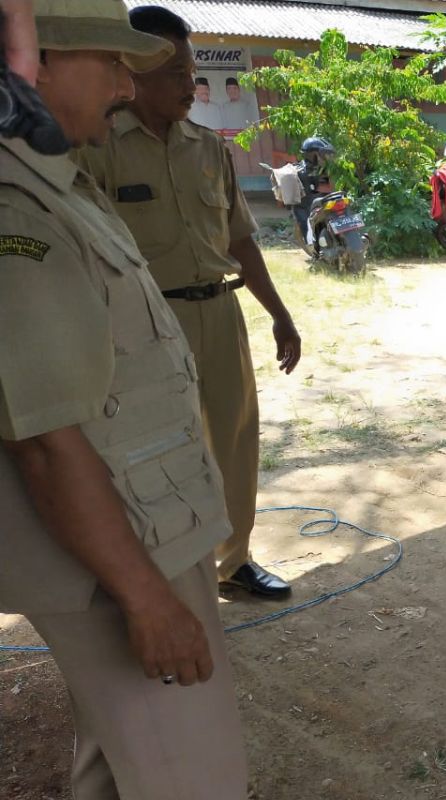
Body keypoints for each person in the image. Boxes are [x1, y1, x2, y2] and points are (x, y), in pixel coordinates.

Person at [0, 1, 248, 797]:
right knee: (195, 777)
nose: (124, 79)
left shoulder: (57, 180)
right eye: (106, 60)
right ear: (29, 62)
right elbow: (45, 442)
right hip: (117, 555)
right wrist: (146, 597)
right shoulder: (18, 214)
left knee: (119, 758)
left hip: (146, 527)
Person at [78, 5, 302, 598]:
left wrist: (279, 314)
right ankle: (159, 573)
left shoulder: (208, 147)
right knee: (149, 448)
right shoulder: (98, 149)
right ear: (134, 70)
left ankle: (233, 561)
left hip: (219, 314)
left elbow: (240, 240)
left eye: (191, 70)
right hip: (142, 324)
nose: (189, 84)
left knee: (232, 440)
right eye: (175, 71)